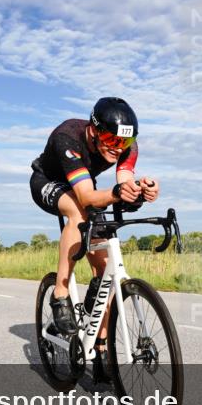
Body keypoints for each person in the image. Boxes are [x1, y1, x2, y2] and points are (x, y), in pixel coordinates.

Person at [30, 97, 159, 346]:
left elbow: (124, 182)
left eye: (124, 142)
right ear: (93, 128)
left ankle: (100, 348)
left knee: (105, 272)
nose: (117, 148)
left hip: (83, 183)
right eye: (111, 140)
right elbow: (87, 197)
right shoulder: (67, 137)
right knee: (79, 211)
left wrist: (141, 191)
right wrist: (117, 193)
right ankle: (60, 294)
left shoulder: (126, 147)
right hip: (48, 182)